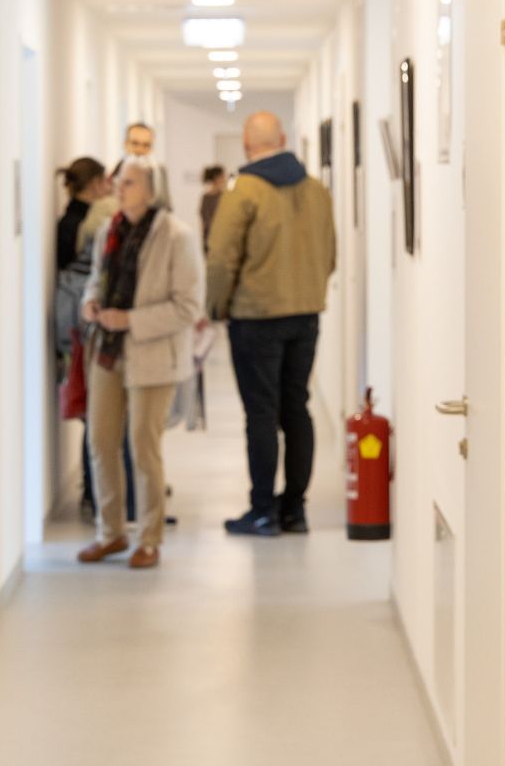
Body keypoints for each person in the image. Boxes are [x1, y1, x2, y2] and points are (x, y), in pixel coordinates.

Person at [206, 111, 336, 537]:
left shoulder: (243, 190)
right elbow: (330, 254)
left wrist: (216, 307)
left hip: (256, 317)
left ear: (248, 145)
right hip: (305, 315)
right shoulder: (317, 190)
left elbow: (221, 259)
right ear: (282, 140)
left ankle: (262, 510)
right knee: (296, 408)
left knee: (261, 413)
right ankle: (295, 510)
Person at [77, 155, 200, 569]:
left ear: (151, 189)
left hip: (153, 356)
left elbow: (188, 307)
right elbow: (96, 279)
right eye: (119, 181)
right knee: (100, 442)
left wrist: (131, 320)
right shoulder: (109, 230)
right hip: (107, 351)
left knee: (143, 448)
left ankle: (149, 538)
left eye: (128, 182)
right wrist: (91, 303)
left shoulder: (176, 236)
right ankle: (110, 532)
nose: (119, 188)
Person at [54, 157, 112, 517]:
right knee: (97, 412)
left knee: (95, 412)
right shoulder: (89, 225)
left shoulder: (70, 222)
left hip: (76, 330)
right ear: (95, 184)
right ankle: (97, 491)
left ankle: (97, 491)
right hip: (86, 330)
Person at [113, 122, 172, 209]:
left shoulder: (159, 177)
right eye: (135, 143)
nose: (140, 150)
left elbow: (165, 207)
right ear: (125, 144)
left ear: (152, 148)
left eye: (146, 145)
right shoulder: (112, 176)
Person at [198, 164, 227, 255]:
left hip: (216, 237)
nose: (224, 179)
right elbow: (203, 220)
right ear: (216, 178)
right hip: (213, 238)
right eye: (223, 176)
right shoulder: (219, 197)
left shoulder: (207, 197)